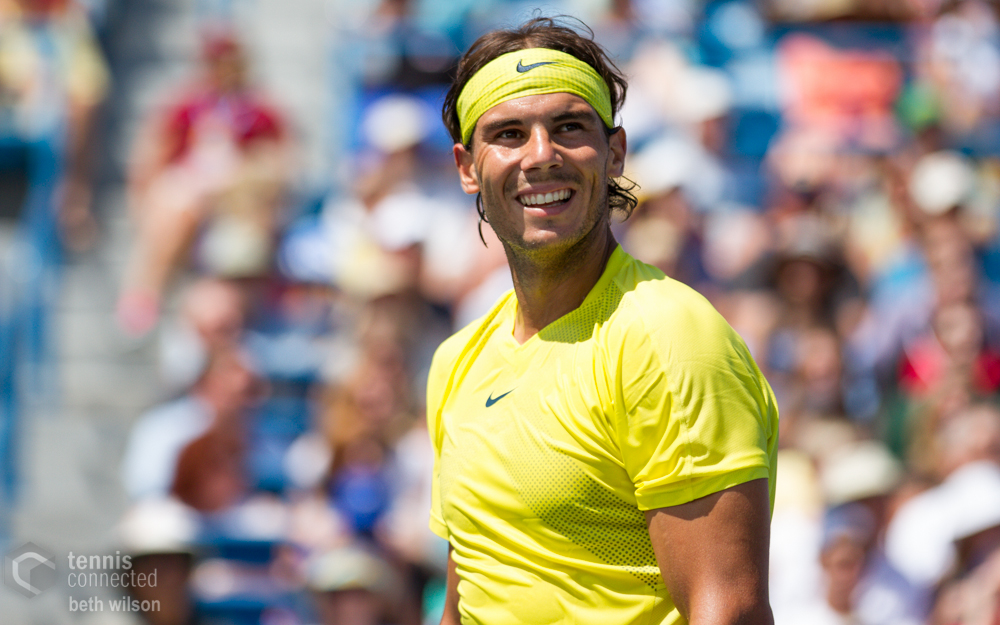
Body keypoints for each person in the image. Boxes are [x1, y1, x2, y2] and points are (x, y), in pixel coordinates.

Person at [426, 17, 779, 625]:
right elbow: (470, 592)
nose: (542, 155)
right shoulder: (456, 361)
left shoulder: (669, 338)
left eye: (568, 127)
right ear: (467, 167)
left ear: (615, 152)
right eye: (509, 134)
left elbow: (729, 611)